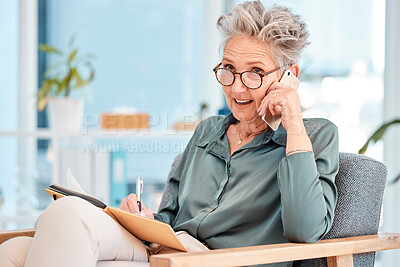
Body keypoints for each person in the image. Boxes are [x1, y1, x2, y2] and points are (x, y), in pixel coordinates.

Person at [0, 1, 338, 266]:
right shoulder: (208, 131)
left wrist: (293, 124)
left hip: (215, 262)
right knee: (13, 251)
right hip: (166, 249)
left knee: (69, 215)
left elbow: (305, 230)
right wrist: (144, 217)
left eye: (255, 73)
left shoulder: (314, 136)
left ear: (288, 75)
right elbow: (170, 216)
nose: (236, 87)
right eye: (229, 70)